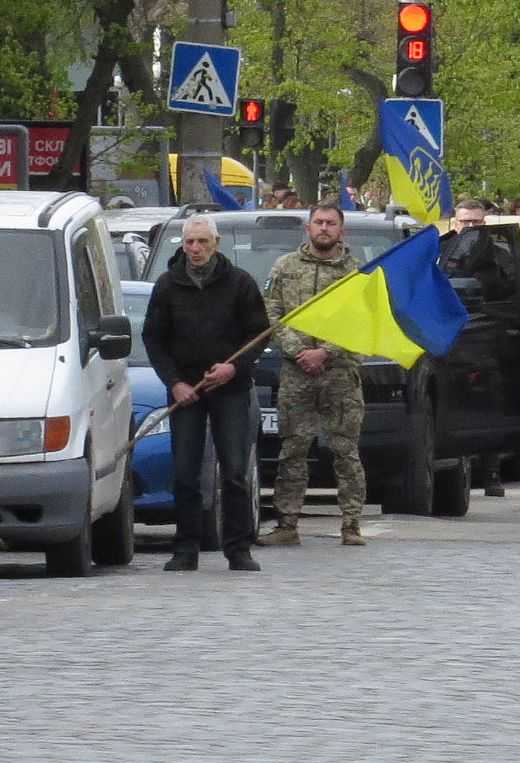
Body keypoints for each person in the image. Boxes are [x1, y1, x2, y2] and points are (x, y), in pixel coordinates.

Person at [143, 214, 268, 572]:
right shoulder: (167, 285)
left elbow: (259, 335)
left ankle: (238, 547)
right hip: (187, 392)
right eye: (189, 243)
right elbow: (153, 339)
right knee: (185, 471)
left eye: (202, 243)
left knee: (234, 470)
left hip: (230, 389)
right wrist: (174, 383)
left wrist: (234, 368)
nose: (195, 249)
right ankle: (186, 547)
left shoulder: (240, 283)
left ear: (215, 244)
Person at [260, 203, 369, 548]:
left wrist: (326, 351)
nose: (324, 228)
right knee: (292, 450)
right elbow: (271, 311)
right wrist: (297, 351)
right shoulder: (286, 267)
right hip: (297, 374)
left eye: (331, 223)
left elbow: (360, 319)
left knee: (346, 452)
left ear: (342, 230)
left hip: (339, 374)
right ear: (307, 228)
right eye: (318, 223)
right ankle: (287, 523)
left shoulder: (356, 273)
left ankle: (351, 525)